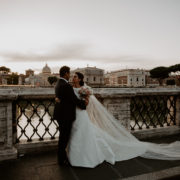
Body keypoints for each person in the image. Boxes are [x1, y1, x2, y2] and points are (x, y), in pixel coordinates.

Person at [66, 71, 180, 168]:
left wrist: (83, 99)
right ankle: (76, 155)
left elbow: (87, 103)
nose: (73, 77)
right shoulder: (70, 88)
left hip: (81, 114)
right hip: (73, 114)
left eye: (75, 76)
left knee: (83, 132)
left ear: (80, 78)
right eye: (73, 76)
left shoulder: (85, 89)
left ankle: (87, 157)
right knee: (77, 133)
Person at [53, 66, 88, 165]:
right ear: (66, 73)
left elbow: (62, 98)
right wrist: (84, 104)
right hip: (65, 115)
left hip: (60, 114)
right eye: (69, 73)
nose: (70, 76)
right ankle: (62, 159)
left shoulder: (58, 83)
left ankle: (62, 157)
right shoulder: (66, 85)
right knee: (64, 138)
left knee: (62, 137)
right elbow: (73, 99)